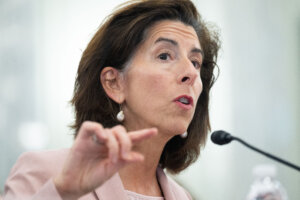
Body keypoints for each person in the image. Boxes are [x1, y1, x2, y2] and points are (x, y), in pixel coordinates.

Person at [3, 0, 220, 199]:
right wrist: (63, 191)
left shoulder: (183, 196)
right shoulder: (46, 173)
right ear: (114, 83)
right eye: (164, 55)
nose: (190, 73)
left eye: (195, 62)